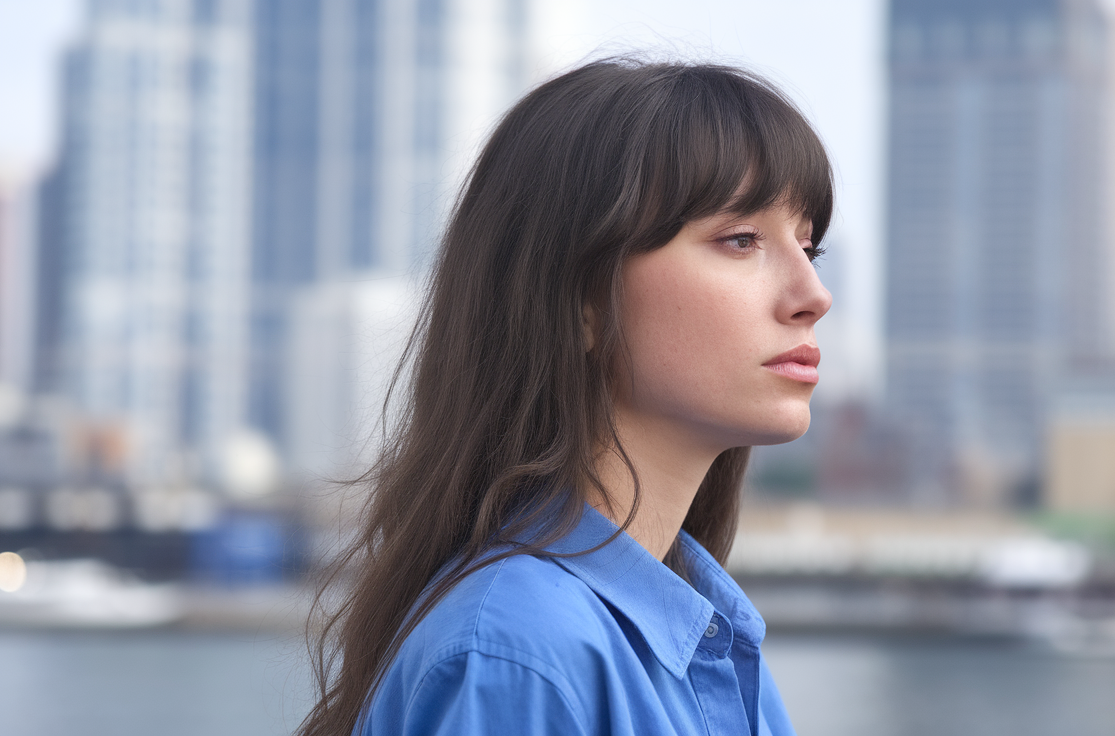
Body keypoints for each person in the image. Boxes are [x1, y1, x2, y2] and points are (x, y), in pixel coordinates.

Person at [298, 57, 834, 736]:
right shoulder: (520, 657)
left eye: (809, 248)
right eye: (740, 239)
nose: (813, 296)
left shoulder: (710, 642)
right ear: (580, 298)